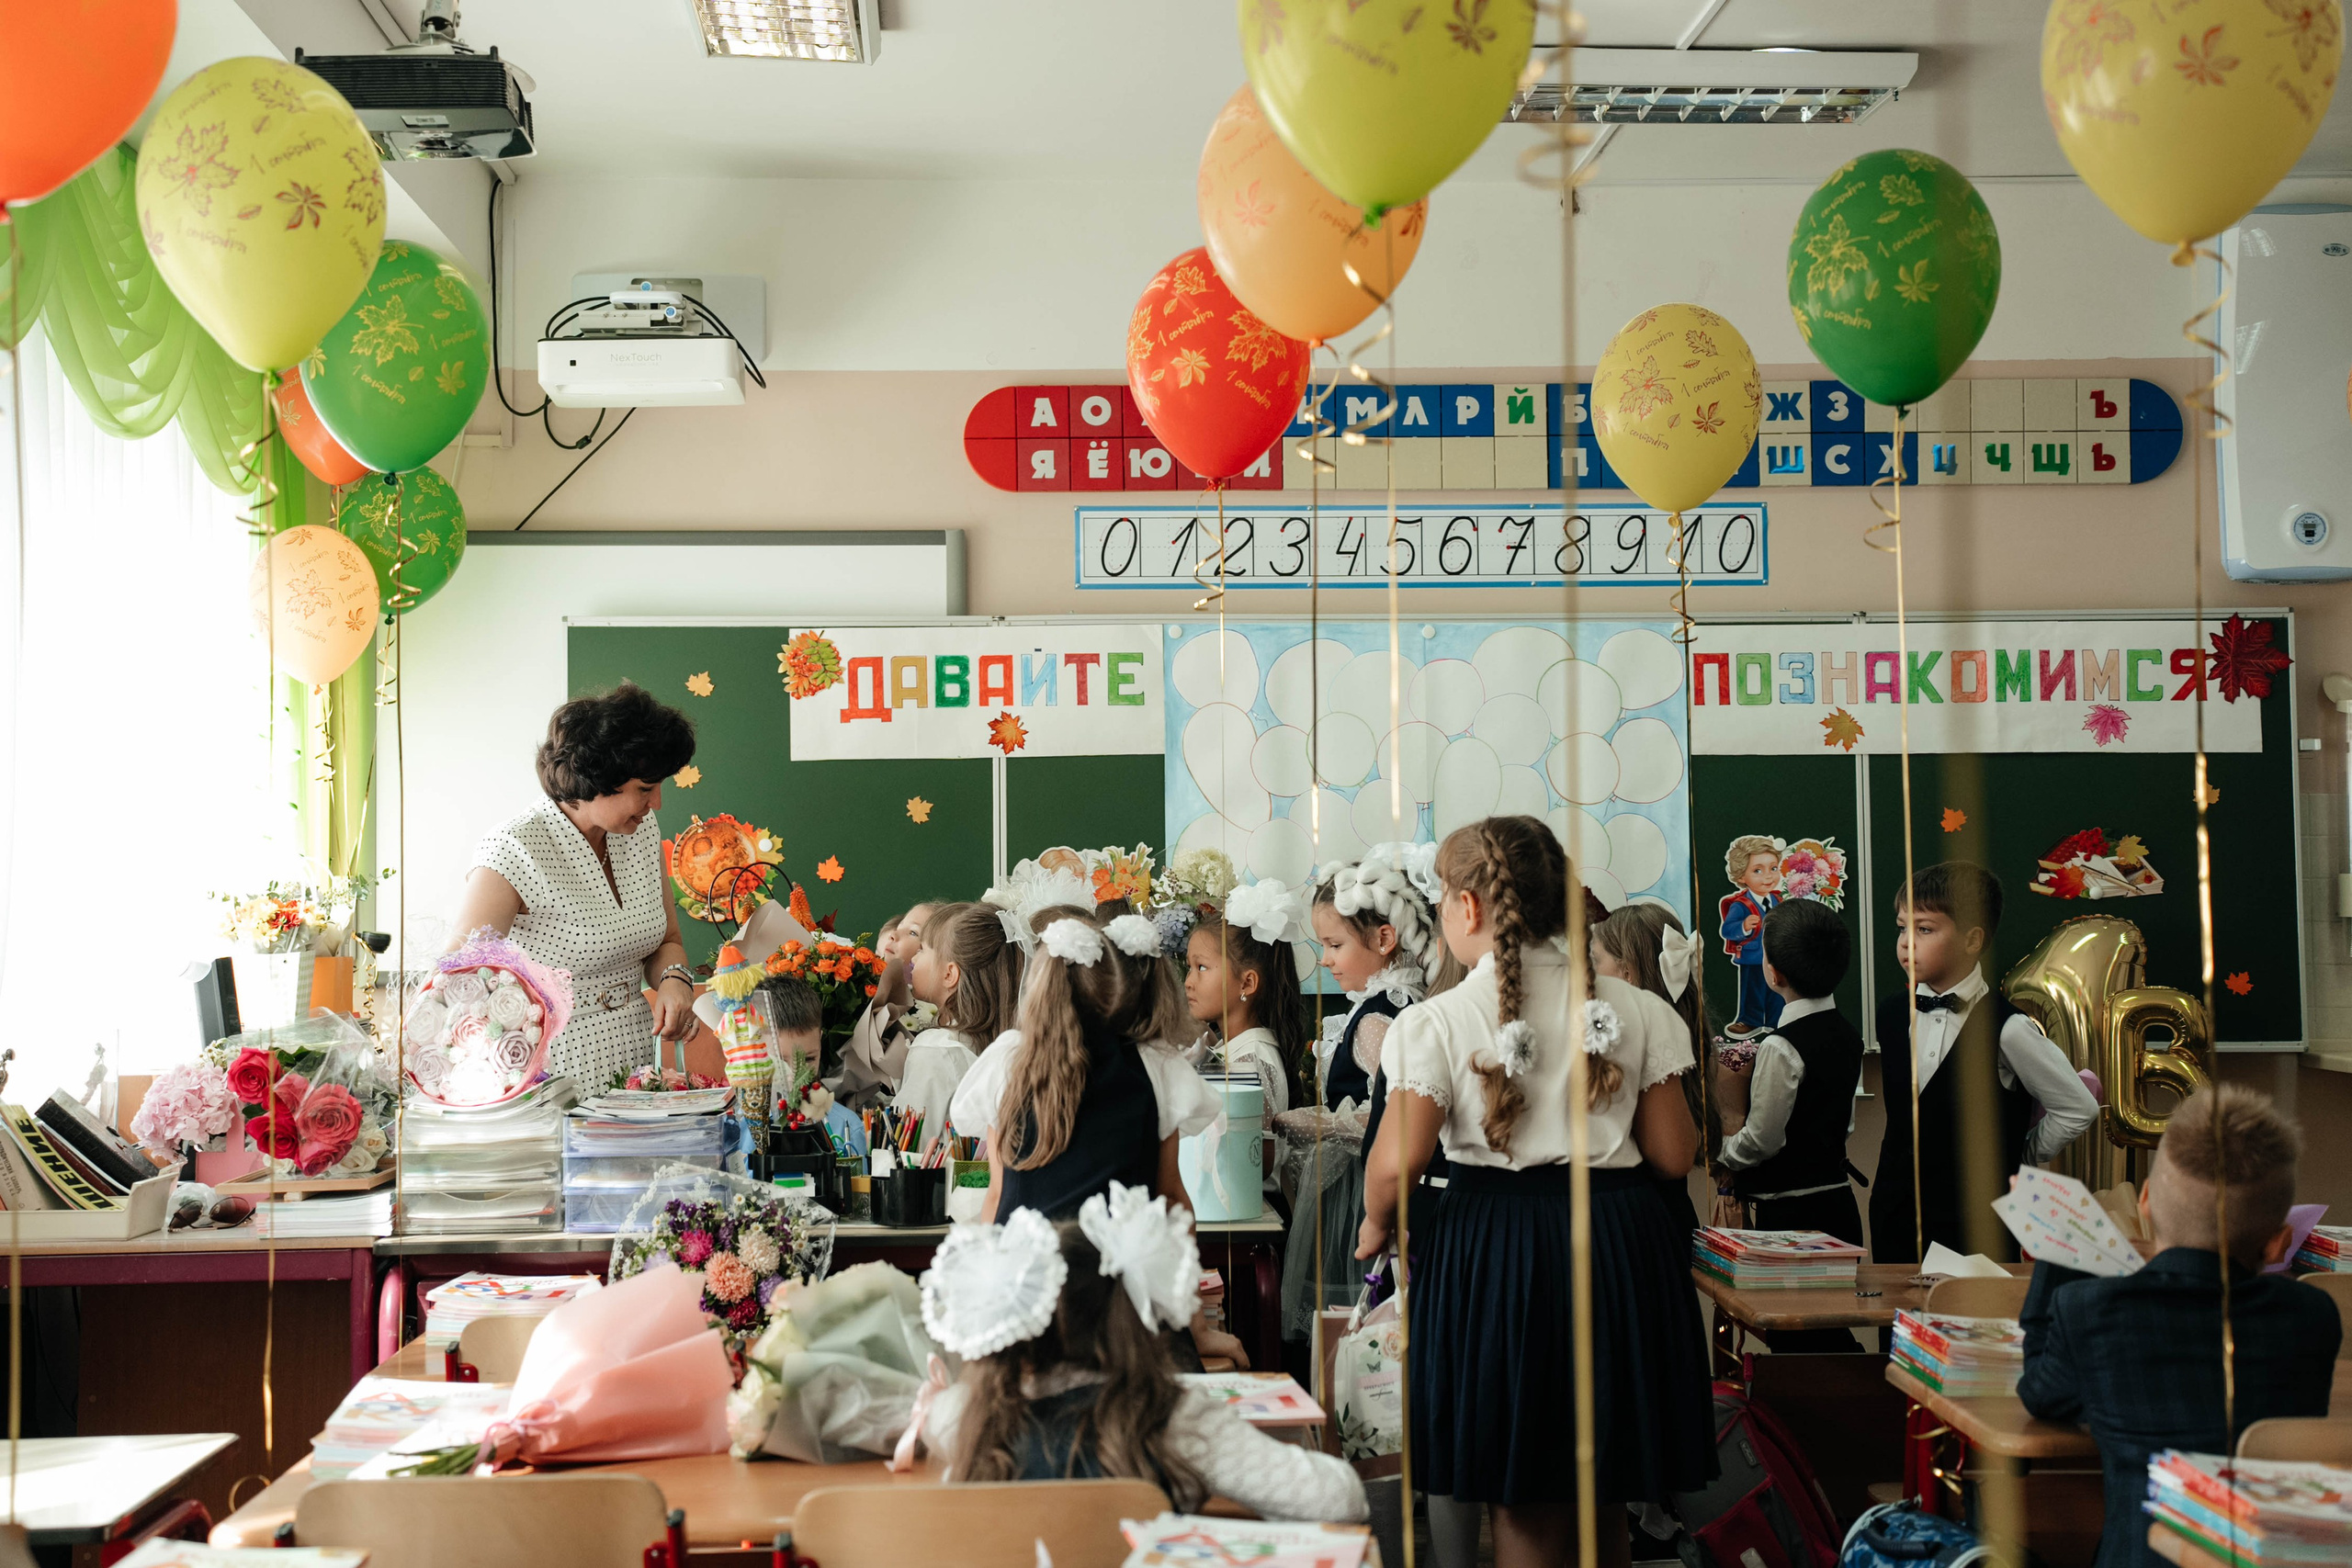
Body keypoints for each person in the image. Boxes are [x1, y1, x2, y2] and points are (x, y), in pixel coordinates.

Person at [1358, 817, 1713, 1568]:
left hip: (1498, 1247)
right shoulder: (1640, 1008)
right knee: (1605, 1483)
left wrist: (1373, 1222)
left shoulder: (1438, 1019)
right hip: (1618, 1247)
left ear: (1467, 908)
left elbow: (1400, 1162)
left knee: (1520, 1488)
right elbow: (1675, 1154)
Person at [2017, 1085, 2339, 1568]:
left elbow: (2041, 1395)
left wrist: (2057, 1254)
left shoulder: (2089, 1310)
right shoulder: (2313, 1316)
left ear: (2144, 1202)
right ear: (2279, 1244)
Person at [920, 1183, 1367, 1522]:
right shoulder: (1173, 1419)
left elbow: (919, 1415)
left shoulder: (969, 1416)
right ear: (1129, 1316)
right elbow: (1341, 1498)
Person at [451, 683, 696, 1088]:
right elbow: (456, 982)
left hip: (635, 1057)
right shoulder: (514, 848)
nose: (657, 804)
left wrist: (674, 980)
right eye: (645, 789)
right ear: (597, 779)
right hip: (553, 1069)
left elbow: (666, 938)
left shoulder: (640, 830)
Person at [1871, 862, 2100, 1263]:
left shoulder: (2008, 1028)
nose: (1907, 942)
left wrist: (2019, 1153)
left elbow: (2077, 1106)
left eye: (1924, 929)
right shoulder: (1891, 1014)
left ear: (1972, 939)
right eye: (1902, 927)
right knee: (1897, 1325)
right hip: (1896, 1214)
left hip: (1977, 1224)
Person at [955, 908, 1217, 1224]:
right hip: (1118, 1264)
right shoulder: (1157, 1065)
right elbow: (1170, 1195)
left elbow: (997, 1194)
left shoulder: (1009, 1059)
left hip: (1026, 1262)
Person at [1716, 898, 1865, 1353]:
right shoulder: (1847, 1032)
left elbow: (1762, 1139)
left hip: (1790, 1225)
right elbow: (1846, 1123)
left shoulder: (1781, 1047)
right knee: (1828, 1330)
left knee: (1804, 1342)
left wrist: (1721, 1153)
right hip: (1838, 1207)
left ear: (1773, 974)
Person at [1592, 902, 1713, 1240]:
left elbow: (1670, 1154)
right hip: (1667, 1212)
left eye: (1595, 961)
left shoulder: (1617, 1043)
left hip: (1635, 1222)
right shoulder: (1685, 1027)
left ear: (1627, 972)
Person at [892, 903, 1018, 1153]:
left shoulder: (935, 1049)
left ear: (950, 974)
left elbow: (903, 1147)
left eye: (923, 950)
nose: (914, 959)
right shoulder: (1004, 1045)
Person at [1183, 886, 1316, 1119]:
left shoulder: (1248, 1059)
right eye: (1189, 968)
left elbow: (1254, 1149)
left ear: (1247, 983)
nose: (1188, 982)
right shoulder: (1237, 1048)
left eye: (1201, 967)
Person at [828, 900, 941, 1111]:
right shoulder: (855, 990)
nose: (894, 935)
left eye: (913, 933)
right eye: (899, 929)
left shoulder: (933, 1026)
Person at [1717, 835, 1784, 1039]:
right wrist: (1743, 926)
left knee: (1777, 990)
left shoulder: (1778, 899)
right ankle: (1750, 1020)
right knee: (1752, 990)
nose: (1768, 877)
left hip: (1776, 957)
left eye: (1773, 868)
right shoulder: (1740, 905)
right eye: (1758, 870)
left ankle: (1776, 1021)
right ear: (1741, 877)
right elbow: (1727, 930)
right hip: (1753, 957)